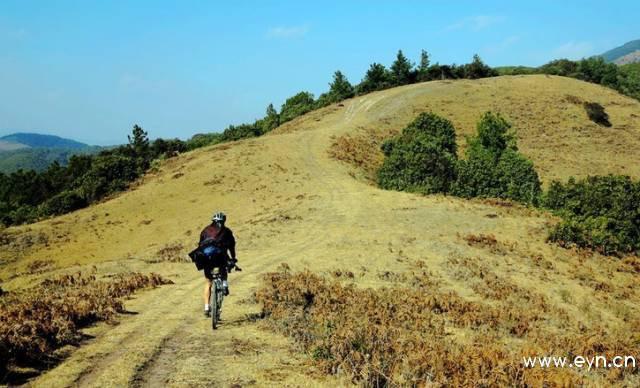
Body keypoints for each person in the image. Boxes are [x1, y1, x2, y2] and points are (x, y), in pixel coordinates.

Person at [199, 211, 237, 317]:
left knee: (208, 282)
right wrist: (233, 258)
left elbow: (200, 245)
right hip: (221, 258)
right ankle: (224, 283)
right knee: (224, 267)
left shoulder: (205, 230)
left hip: (207, 259)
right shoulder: (227, 231)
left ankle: (207, 307)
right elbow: (232, 246)